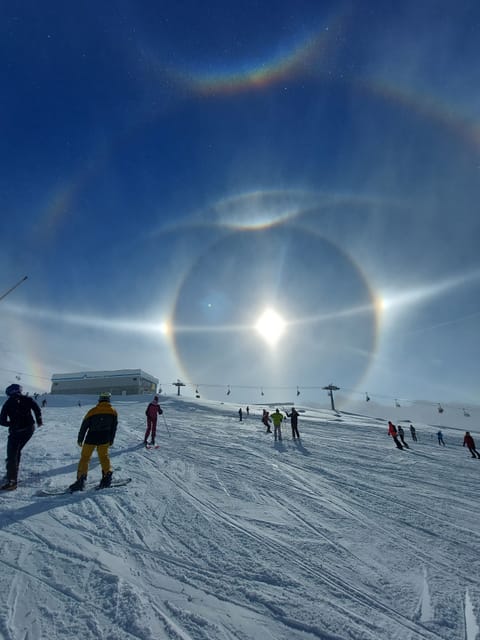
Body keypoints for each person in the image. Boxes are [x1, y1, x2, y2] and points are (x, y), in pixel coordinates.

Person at [69, 392, 117, 492]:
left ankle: (81, 480)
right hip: (104, 438)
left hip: (91, 438)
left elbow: (84, 425)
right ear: (108, 400)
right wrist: (111, 439)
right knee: (104, 457)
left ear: (100, 399)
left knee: (85, 458)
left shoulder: (93, 411)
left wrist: (80, 438)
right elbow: (114, 428)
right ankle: (107, 477)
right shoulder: (113, 411)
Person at [0, 384, 43, 490]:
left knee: (12, 454)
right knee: (16, 451)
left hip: (17, 432)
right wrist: (39, 421)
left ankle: (12, 481)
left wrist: (12, 424)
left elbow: (2, 421)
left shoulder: (8, 403)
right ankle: (12, 472)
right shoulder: (27, 399)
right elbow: (37, 408)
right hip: (29, 429)